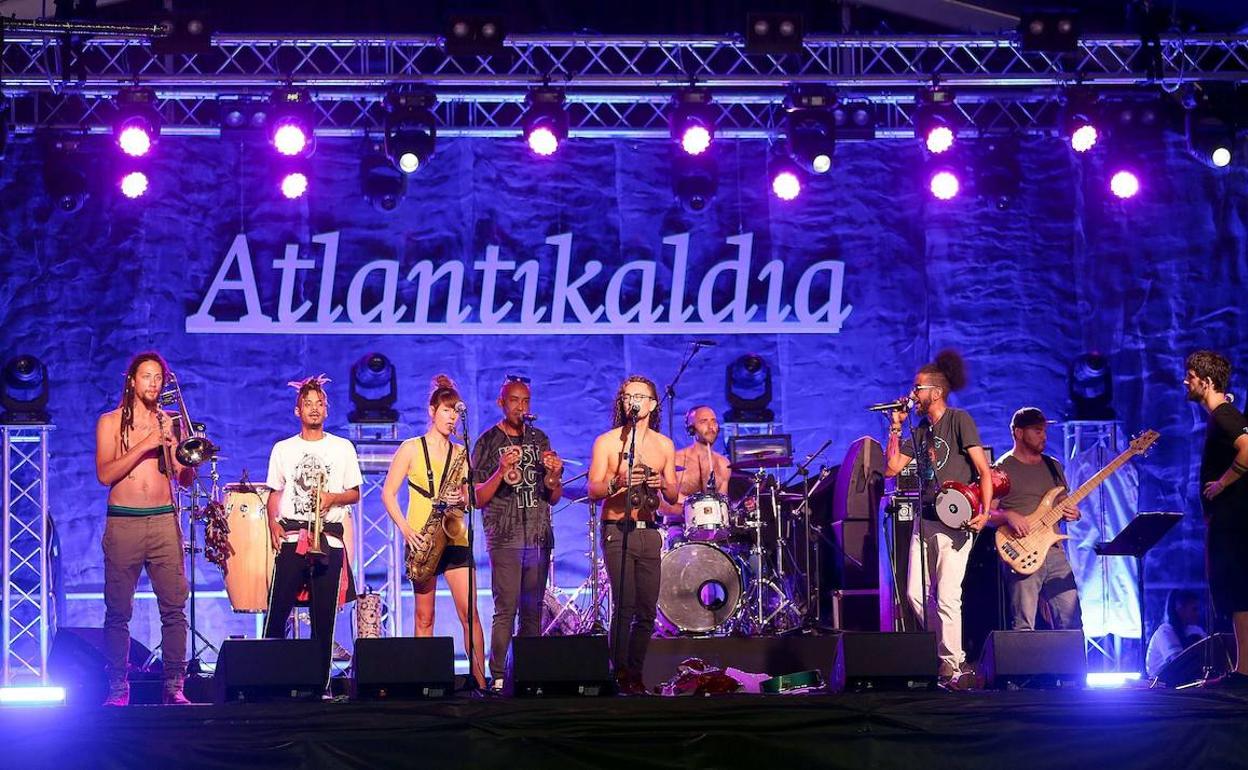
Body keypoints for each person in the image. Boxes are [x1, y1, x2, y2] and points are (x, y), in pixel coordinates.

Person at [884, 350, 992, 687]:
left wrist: (985, 513)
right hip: (925, 519)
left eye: (918, 388)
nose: (912, 394)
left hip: (956, 522)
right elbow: (891, 468)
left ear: (936, 391)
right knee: (915, 594)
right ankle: (945, 655)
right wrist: (895, 428)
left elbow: (984, 471)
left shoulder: (959, 420)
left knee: (947, 596)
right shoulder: (919, 430)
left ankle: (953, 665)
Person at [94, 352, 193, 705]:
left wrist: (181, 448)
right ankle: (118, 687)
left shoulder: (169, 422)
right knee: (118, 611)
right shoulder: (110, 421)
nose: (153, 383)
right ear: (132, 381)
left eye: (158, 377)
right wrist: (145, 445)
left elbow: (184, 479)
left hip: (164, 520)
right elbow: (105, 473)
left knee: (174, 608)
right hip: (124, 521)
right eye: (146, 376)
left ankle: (174, 686)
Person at [381, 374, 486, 688]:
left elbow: (470, 497)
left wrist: (462, 498)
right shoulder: (411, 448)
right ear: (432, 411)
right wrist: (406, 530)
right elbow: (388, 494)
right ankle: (423, 683)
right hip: (423, 539)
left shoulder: (461, 453)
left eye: (455, 411)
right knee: (424, 617)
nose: (452, 417)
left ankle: (480, 683)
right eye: (446, 410)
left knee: (470, 615)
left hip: (454, 538)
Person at [263, 375, 361, 689]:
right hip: (293, 537)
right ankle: (267, 681)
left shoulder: (342, 448)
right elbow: (274, 491)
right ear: (298, 410)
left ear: (327, 410)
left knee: (323, 617)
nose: (314, 408)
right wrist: (272, 522)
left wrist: (332, 498)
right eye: (308, 404)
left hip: (328, 539)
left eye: (320, 404)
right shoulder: (283, 449)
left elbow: (355, 493)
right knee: (278, 610)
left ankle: (320, 685)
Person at [587, 375, 678, 693]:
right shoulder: (608, 442)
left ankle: (635, 674)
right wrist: (618, 481)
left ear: (652, 404)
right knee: (624, 606)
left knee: (646, 610)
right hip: (617, 529)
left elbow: (673, 494)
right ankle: (617, 673)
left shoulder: (664, 445)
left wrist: (662, 483)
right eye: (628, 396)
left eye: (640, 396)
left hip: (648, 530)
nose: (633, 401)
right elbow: (593, 489)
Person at [472, 376, 564, 691]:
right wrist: (501, 470)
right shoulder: (487, 442)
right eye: (514, 400)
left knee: (533, 611)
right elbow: (477, 498)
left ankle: (528, 674)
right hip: (504, 538)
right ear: (502, 403)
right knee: (506, 610)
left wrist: (554, 475)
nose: (520, 407)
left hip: (538, 537)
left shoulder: (539, 439)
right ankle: (498, 676)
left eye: (525, 401)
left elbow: (553, 496)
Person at [1183, 350, 1248, 689]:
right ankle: (1242, 670)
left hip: (1234, 523)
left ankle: (1243, 672)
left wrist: (1223, 482)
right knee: (1237, 595)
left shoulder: (1224, 415)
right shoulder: (1223, 415)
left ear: (1207, 382)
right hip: (1231, 522)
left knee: (1238, 593)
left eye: (1191, 377)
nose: (1186, 382)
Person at [987, 407, 1083, 632]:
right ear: (1019, 433)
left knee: (1072, 623)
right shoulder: (1001, 469)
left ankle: (1070, 658)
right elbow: (986, 514)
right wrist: (1008, 515)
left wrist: (1073, 512)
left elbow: (1063, 502)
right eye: (1037, 431)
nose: (1044, 436)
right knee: (1024, 625)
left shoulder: (1053, 466)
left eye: (1045, 431)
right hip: (1023, 550)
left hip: (1055, 551)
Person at [660, 405, 731, 529]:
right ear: (691, 429)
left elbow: (722, 507)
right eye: (704, 421)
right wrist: (696, 512)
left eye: (713, 421)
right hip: (678, 528)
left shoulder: (723, 464)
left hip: (712, 529)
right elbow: (662, 508)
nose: (711, 426)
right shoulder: (676, 460)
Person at [1146, 589, 1206, 678]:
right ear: (1180, 608)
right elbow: (1179, 663)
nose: (1198, 613)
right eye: (1194, 609)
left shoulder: (1196, 630)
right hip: (1162, 685)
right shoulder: (1165, 631)